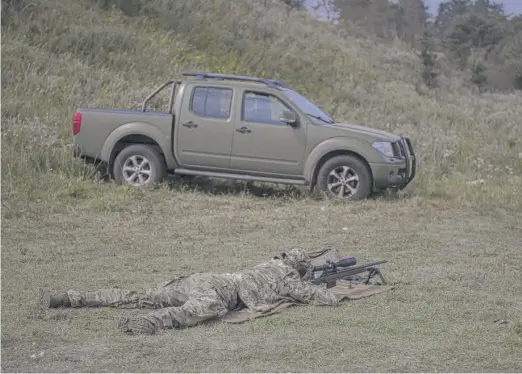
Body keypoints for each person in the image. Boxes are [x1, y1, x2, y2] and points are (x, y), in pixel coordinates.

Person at [38, 248, 339, 334]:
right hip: (221, 291)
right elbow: (321, 298)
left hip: (203, 278)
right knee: (193, 313)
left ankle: (71, 297)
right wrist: (329, 290)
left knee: (140, 295)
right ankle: (149, 323)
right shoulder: (287, 277)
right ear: (297, 267)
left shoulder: (267, 265)